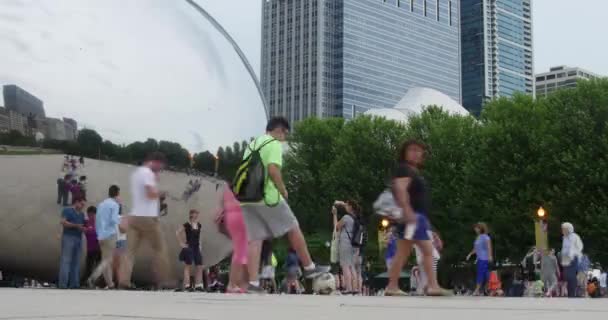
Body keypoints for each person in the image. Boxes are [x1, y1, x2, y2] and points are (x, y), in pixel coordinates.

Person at [241, 117, 328, 292]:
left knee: (255, 239)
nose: (284, 139)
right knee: (293, 227)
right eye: (285, 134)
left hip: (246, 198)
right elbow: (273, 169)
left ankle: (253, 283)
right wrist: (283, 189)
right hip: (268, 196)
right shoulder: (273, 143)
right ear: (279, 130)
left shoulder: (252, 145)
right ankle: (310, 268)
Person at [384, 139, 449, 296]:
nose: (416, 153)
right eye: (412, 149)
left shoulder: (412, 171)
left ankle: (392, 286)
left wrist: (430, 229)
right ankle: (432, 286)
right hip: (413, 217)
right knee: (427, 250)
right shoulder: (404, 169)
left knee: (403, 253)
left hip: (415, 218)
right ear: (404, 153)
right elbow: (400, 189)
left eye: (419, 150)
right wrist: (408, 212)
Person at [119, 152, 171, 289]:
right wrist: (161, 192)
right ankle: (164, 280)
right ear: (155, 162)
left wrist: (155, 180)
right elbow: (150, 194)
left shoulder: (137, 173)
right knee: (160, 249)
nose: (161, 169)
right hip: (147, 217)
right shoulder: (147, 173)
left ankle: (123, 281)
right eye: (161, 166)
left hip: (135, 216)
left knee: (130, 251)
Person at [215, 182, 250, 293]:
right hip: (239, 217)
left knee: (241, 251)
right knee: (241, 252)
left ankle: (240, 284)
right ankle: (233, 284)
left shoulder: (225, 190)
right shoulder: (238, 187)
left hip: (230, 218)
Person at [87, 185, 121, 289]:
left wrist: (98, 233)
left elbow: (97, 220)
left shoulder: (101, 204)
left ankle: (110, 284)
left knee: (106, 260)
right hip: (110, 234)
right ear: (117, 194)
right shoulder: (115, 205)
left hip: (101, 235)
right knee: (108, 260)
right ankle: (93, 277)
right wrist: (121, 221)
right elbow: (114, 220)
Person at [332, 200, 360, 294]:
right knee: (352, 266)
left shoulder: (346, 217)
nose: (345, 207)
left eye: (347, 205)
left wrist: (335, 214)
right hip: (354, 244)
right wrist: (341, 203)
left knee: (345, 266)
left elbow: (336, 227)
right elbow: (350, 205)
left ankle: (348, 288)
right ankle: (355, 288)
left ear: (351, 207)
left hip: (345, 243)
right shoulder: (355, 217)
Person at [58, 197, 86, 289]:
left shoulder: (82, 214)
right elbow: (63, 222)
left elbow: (82, 225)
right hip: (68, 237)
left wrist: (84, 229)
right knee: (66, 261)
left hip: (78, 238)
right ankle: (63, 284)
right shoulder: (67, 210)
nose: (83, 206)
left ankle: (74, 284)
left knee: (76, 262)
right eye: (82, 204)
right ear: (76, 202)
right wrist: (76, 225)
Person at [176, 209, 204, 292]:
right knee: (188, 265)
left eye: (197, 214)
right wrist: (181, 243)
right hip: (189, 247)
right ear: (191, 215)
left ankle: (198, 285)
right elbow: (177, 232)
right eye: (195, 214)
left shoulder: (199, 225)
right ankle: (187, 285)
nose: (196, 215)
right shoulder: (187, 224)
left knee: (199, 265)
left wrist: (200, 245)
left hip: (196, 247)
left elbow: (199, 236)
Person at [466, 222, 493, 296]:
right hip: (479, 258)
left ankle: (477, 290)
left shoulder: (486, 237)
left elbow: (489, 247)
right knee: (485, 274)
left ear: (481, 229)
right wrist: (470, 254)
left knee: (481, 274)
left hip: (484, 258)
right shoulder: (478, 237)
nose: (475, 229)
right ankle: (489, 288)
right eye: (475, 228)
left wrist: (490, 256)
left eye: (477, 228)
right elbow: (476, 248)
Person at [561, 222, 583, 298]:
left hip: (573, 258)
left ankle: (573, 293)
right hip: (566, 258)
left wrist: (574, 254)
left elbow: (580, 246)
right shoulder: (564, 238)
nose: (562, 230)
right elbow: (564, 248)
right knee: (567, 276)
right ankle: (571, 293)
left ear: (568, 229)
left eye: (564, 229)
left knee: (571, 276)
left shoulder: (574, 236)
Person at [82, 206, 100, 286]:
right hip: (90, 249)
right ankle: (86, 282)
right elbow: (83, 228)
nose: (90, 216)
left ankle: (96, 283)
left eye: (92, 214)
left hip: (98, 248)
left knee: (98, 267)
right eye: (89, 214)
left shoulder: (100, 223)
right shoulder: (86, 222)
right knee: (89, 267)